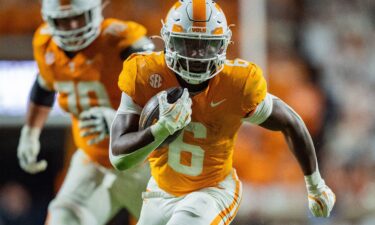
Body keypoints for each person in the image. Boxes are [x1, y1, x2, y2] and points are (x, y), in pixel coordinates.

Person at [109, 0, 336, 224]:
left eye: (206, 45)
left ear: (223, 44)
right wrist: (160, 129)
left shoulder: (237, 84)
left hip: (212, 191)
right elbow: (119, 158)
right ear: (168, 41)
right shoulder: (145, 73)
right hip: (161, 191)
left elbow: (290, 122)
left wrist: (316, 185)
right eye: (188, 44)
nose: (197, 55)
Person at [16, 0, 154, 224]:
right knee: (63, 218)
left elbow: (163, 93)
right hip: (93, 160)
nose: (72, 26)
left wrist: (123, 122)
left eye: (78, 17)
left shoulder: (122, 40)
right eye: (62, 20)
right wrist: (30, 133)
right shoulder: (45, 43)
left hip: (145, 162)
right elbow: (44, 85)